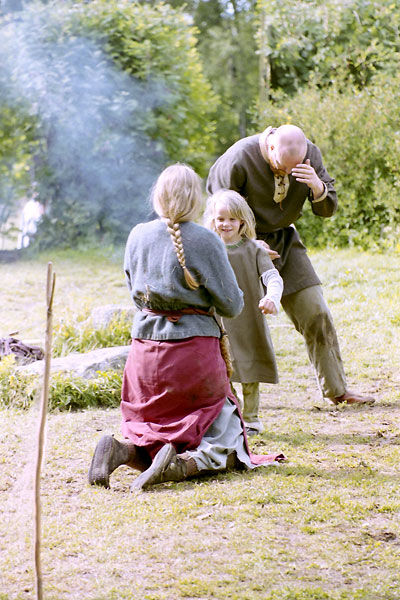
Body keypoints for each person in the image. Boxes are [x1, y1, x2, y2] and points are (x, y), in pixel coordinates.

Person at [88, 164, 285, 492]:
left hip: (144, 356)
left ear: (158, 196)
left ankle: (120, 451)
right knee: (228, 440)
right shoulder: (206, 239)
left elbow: (134, 292)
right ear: (196, 198)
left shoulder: (137, 234)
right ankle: (178, 466)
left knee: (157, 428)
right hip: (192, 355)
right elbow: (232, 305)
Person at [207, 124, 374, 406]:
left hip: (285, 242)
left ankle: (337, 390)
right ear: (271, 147)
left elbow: (327, 209)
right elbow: (215, 214)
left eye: (292, 169)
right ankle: (221, 398)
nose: (286, 173)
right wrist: (248, 241)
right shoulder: (237, 159)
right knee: (232, 326)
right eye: (281, 167)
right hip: (239, 249)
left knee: (316, 311)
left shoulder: (310, 154)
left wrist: (318, 187)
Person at [204, 189, 283, 436]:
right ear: (213, 221)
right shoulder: (208, 248)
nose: (226, 224)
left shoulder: (254, 250)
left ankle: (251, 419)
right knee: (221, 370)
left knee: (249, 369)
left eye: (232, 219)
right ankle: (232, 415)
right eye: (220, 219)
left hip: (248, 318)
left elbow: (272, 277)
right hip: (216, 320)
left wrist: (272, 297)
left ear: (242, 221)